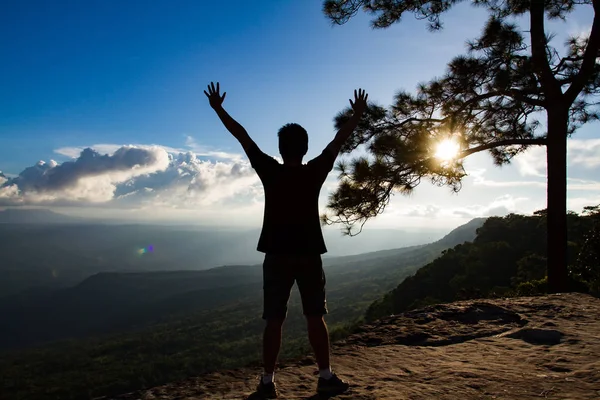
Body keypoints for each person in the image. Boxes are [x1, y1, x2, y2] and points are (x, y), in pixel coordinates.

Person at [205, 82, 368, 398]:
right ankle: (324, 376)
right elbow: (339, 139)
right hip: (308, 253)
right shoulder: (315, 171)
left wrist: (218, 109)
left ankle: (267, 383)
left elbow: (242, 136)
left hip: (276, 254)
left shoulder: (269, 170)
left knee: (274, 320)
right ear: (305, 149)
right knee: (314, 316)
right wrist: (357, 114)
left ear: (280, 149)